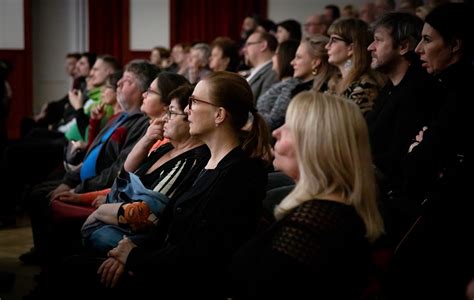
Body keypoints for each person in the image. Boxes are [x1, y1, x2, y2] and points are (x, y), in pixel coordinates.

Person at [34, 71, 272, 299]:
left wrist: (133, 257)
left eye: (195, 102)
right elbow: (167, 227)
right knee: (67, 265)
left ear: (219, 115)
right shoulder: (213, 161)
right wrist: (128, 250)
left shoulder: (239, 175)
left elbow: (200, 257)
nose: (187, 110)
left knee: (67, 273)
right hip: (157, 261)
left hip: (178, 283)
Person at [231, 91, 384, 299]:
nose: (276, 131)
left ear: (314, 143)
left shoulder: (315, 222)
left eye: (289, 127)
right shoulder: (327, 212)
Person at [385, 3, 473, 299]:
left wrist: (420, 148)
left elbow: (416, 165)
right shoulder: (447, 86)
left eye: (428, 39)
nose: (418, 49)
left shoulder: (459, 93)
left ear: (456, 45)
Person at [365, 12, 441, 239]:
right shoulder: (390, 87)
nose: (370, 47)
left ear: (403, 46)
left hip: (388, 198)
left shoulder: (418, 93)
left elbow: (394, 165)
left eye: (378, 40)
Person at [326, 17, 385, 115]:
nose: (327, 46)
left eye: (334, 40)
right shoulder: (333, 83)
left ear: (351, 48)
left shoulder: (364, 87)